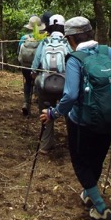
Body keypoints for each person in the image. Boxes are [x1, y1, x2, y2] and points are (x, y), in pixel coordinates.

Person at [40, 16, 111, 220]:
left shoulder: (75, 59)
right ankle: (89, 193)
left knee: (81, 162)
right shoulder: (108, 52)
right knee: (96, 159)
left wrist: (53, 113)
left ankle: (101, 209)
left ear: (71, 39)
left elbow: (71, 96)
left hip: (81, 122)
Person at [30, 14, 70, 153]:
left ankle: (46, 144)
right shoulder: (67, 43)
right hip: (65, 85)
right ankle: (71, 142)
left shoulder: (44, 42)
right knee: (68, 112)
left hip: (46, 85)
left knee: (45, 112)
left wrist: (34, 75)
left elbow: (35, 66)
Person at [18, 15, 44, 116]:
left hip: (25, 66)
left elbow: (18, 52)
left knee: (28, 82)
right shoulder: (42, 39)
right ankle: (40, 105)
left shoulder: (24, 38)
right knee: (38, 83)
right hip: (38, 67)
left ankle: (26, 103)